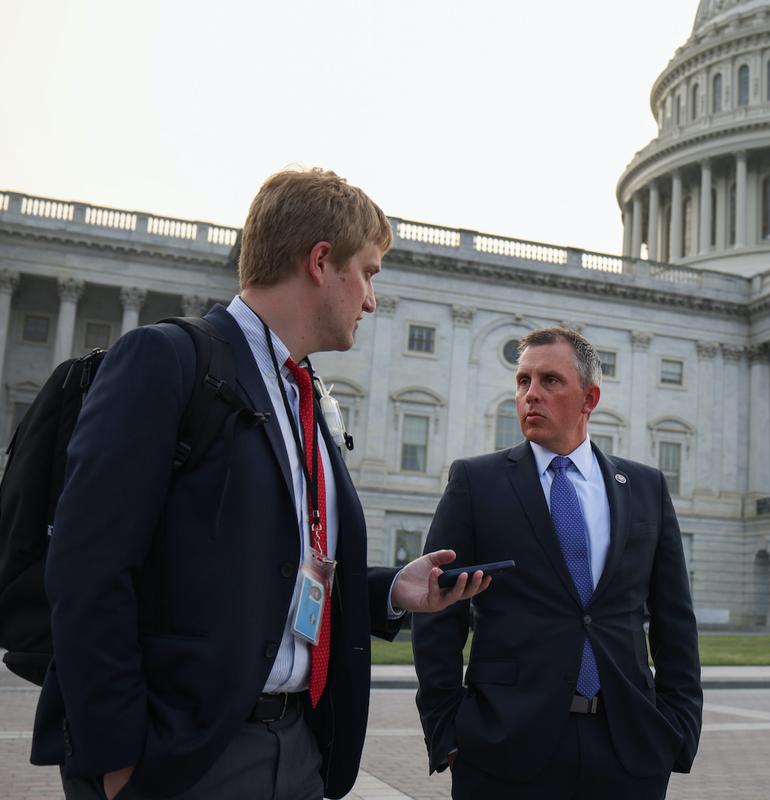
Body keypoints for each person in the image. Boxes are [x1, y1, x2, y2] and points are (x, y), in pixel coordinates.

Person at [30, 168, 489, 800]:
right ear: (322, 262)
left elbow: (278, 565)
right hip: (185, 756)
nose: (373, 299)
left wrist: (388, 591)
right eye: (370, 272)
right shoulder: (167, 360)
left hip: (297, 748)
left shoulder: (305, 396)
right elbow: (87, 566)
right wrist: (117, 765)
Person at [412, 326, 703, 800]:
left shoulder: (646, 488)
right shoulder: (476, 482)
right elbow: (440, 611)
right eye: (523, 381)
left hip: (629, 748)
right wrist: (447, 731)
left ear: (590, 398)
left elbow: (674, 620)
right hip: (504, 747)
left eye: (550, 381)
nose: (530, 395)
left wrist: (678, 727)